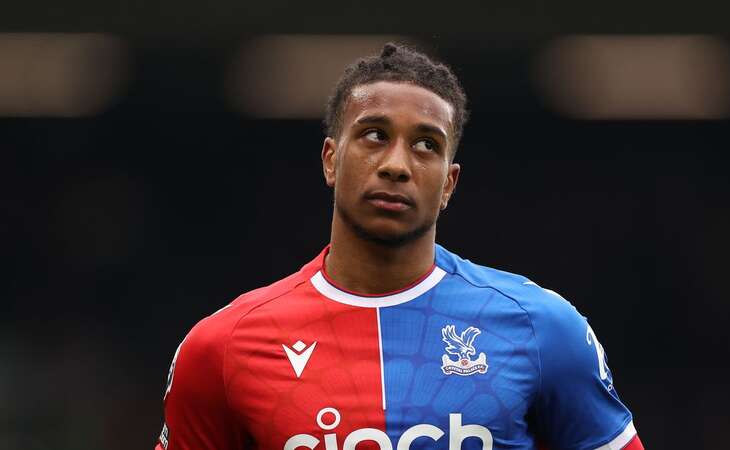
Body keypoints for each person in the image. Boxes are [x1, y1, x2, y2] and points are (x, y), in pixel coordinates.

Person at [155, 42, 644, 450]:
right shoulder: (222, 349)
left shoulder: (542, 330)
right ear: (331, 159)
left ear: (449, 184)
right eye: (373, 135)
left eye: (426, 144)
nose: (396, 164)